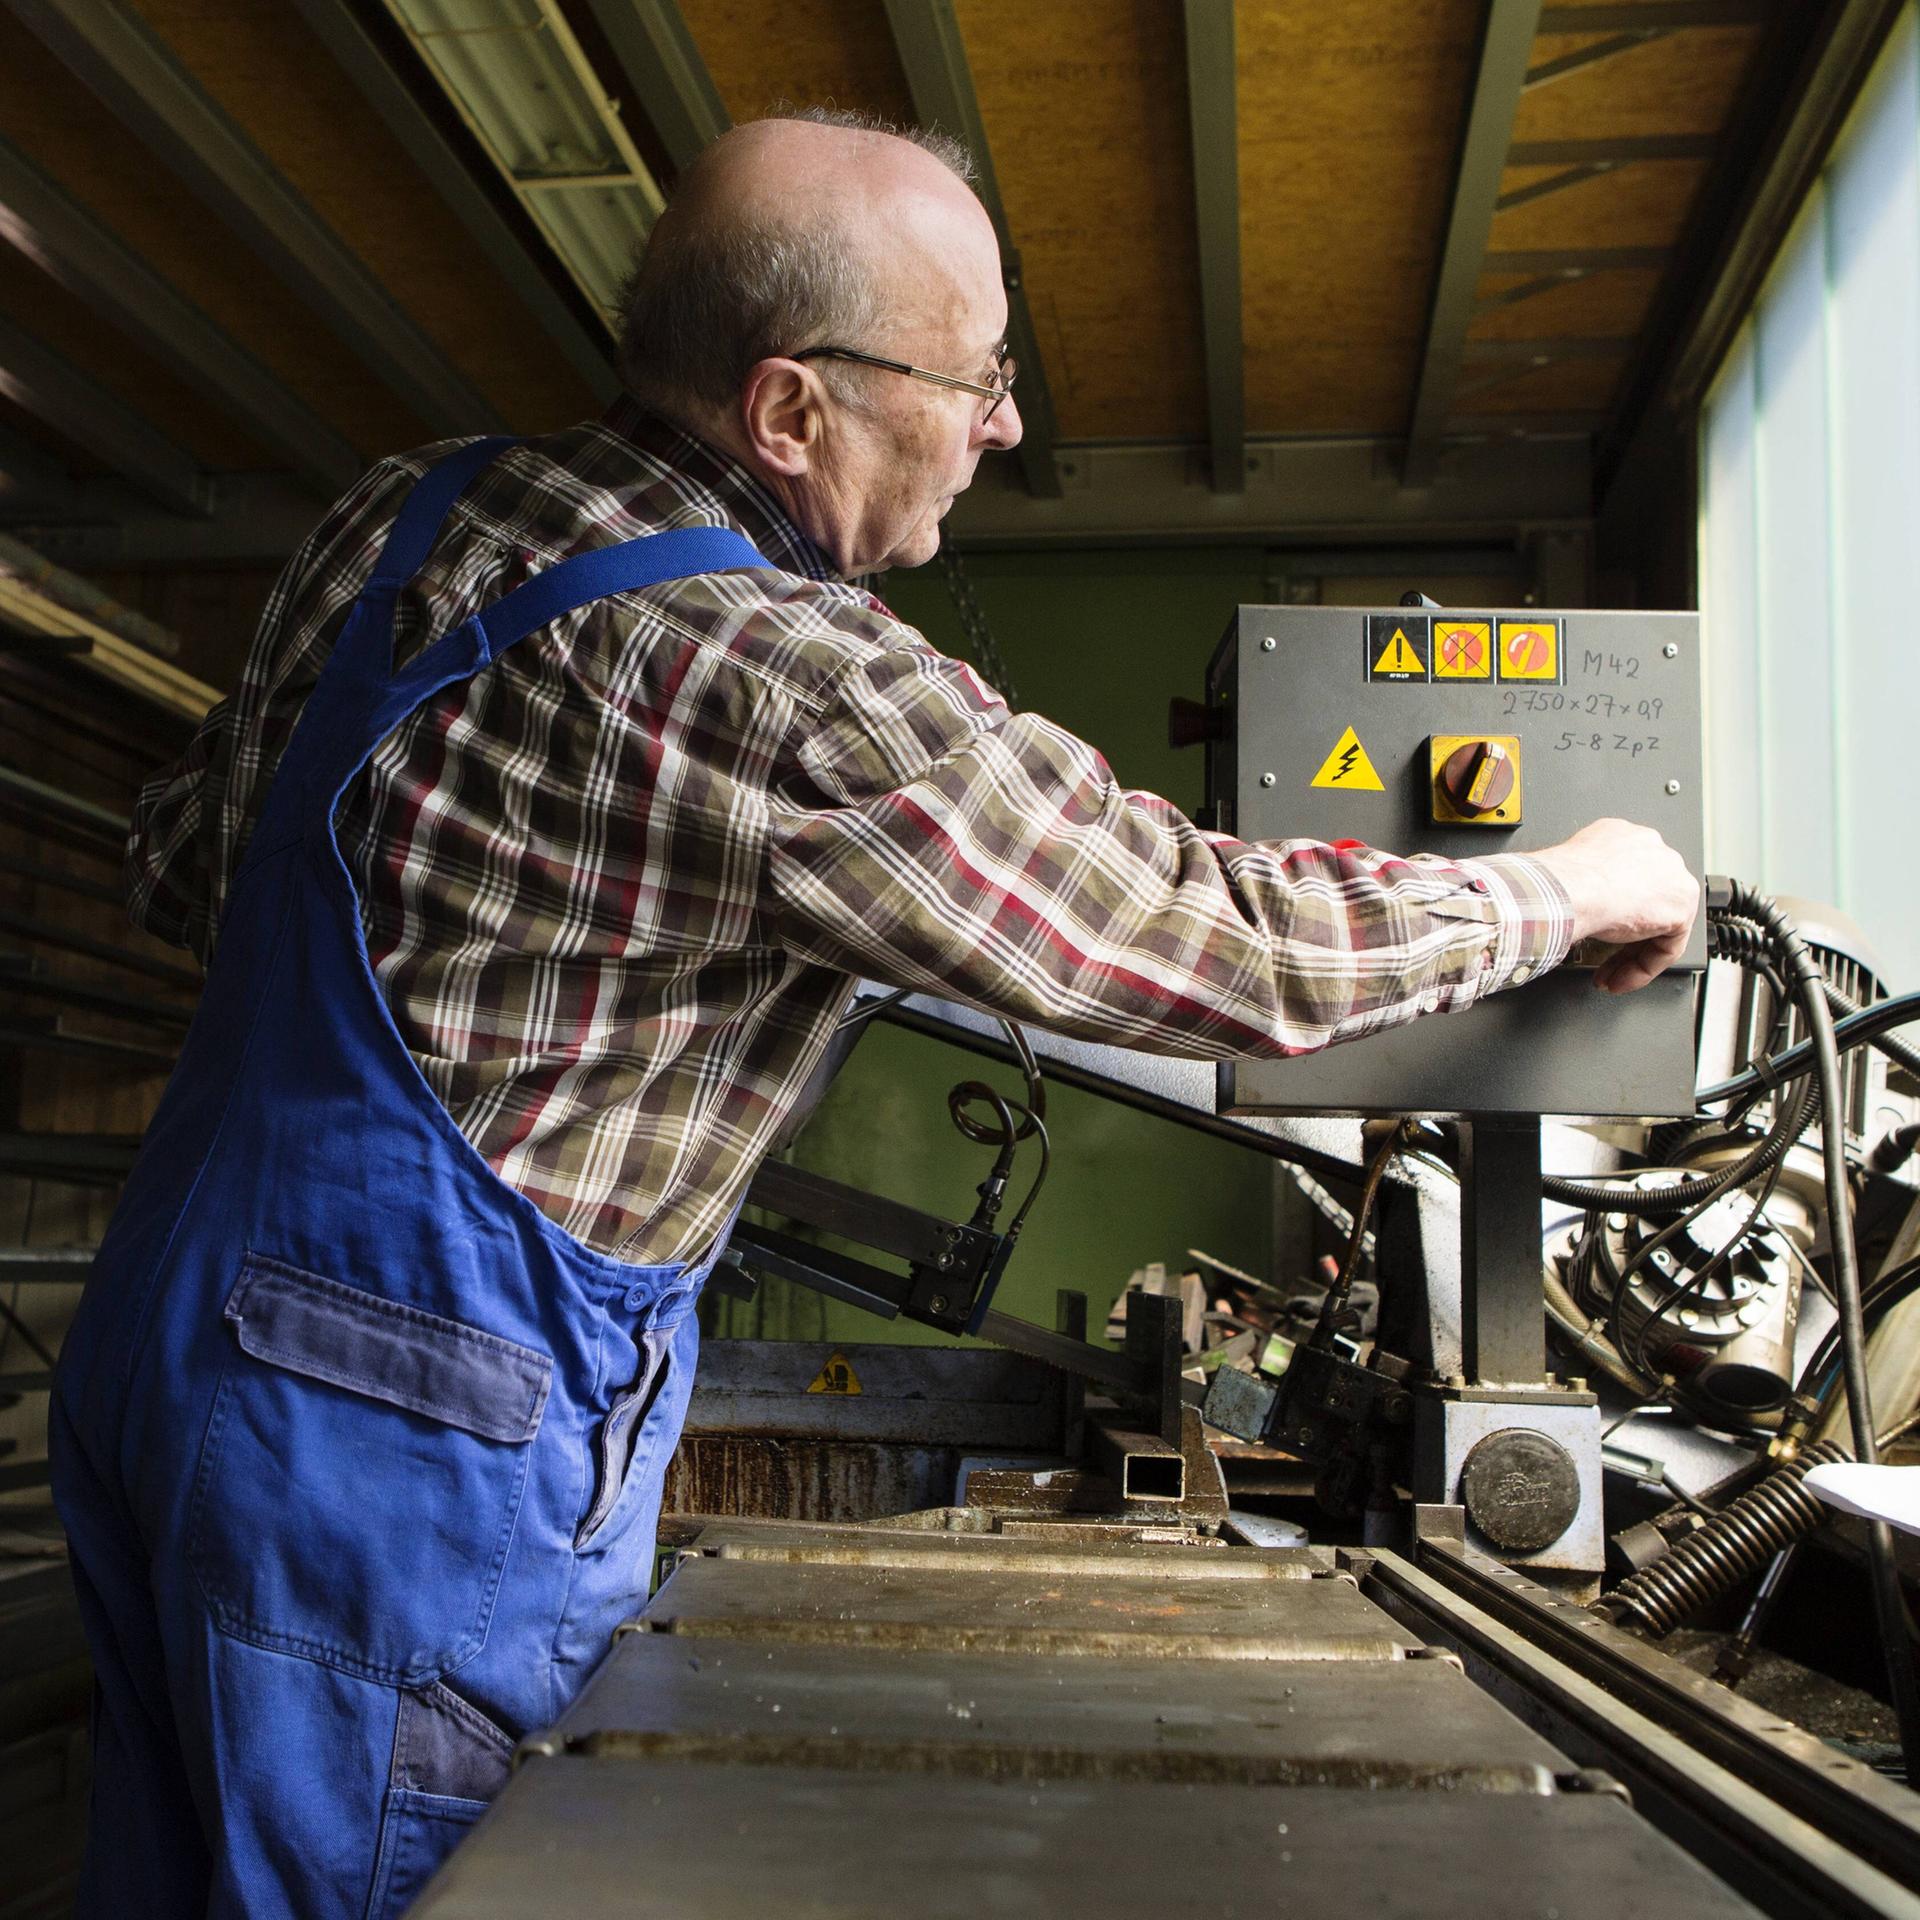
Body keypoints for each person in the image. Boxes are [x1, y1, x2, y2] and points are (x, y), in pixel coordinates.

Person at [50, 109, 1697, 1918]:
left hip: (161, 1337)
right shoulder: (772, 673)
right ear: (788, 414)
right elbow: (1223, 949)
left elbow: (181, 857)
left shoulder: (404, 510)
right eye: (977, 377)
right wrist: (1573, 885)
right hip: (404, 1436)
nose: (1002, 424)